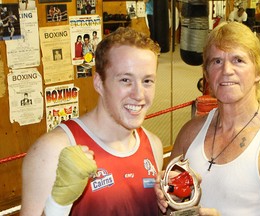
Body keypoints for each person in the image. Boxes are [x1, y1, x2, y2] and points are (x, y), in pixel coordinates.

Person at [20, 27, 162, 216]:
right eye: (125, 80)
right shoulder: (53, 150)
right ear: (98, 83)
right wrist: (58, 204)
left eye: (147, 81)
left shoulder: (153, 145)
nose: (139, 95)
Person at [155, 22, 260, 216]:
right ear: (207, 74)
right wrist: (170, 199)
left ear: (258, 72)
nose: (226, 70)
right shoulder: (190, 133)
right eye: (216, 61)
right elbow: (169, 207)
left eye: (238, 60)